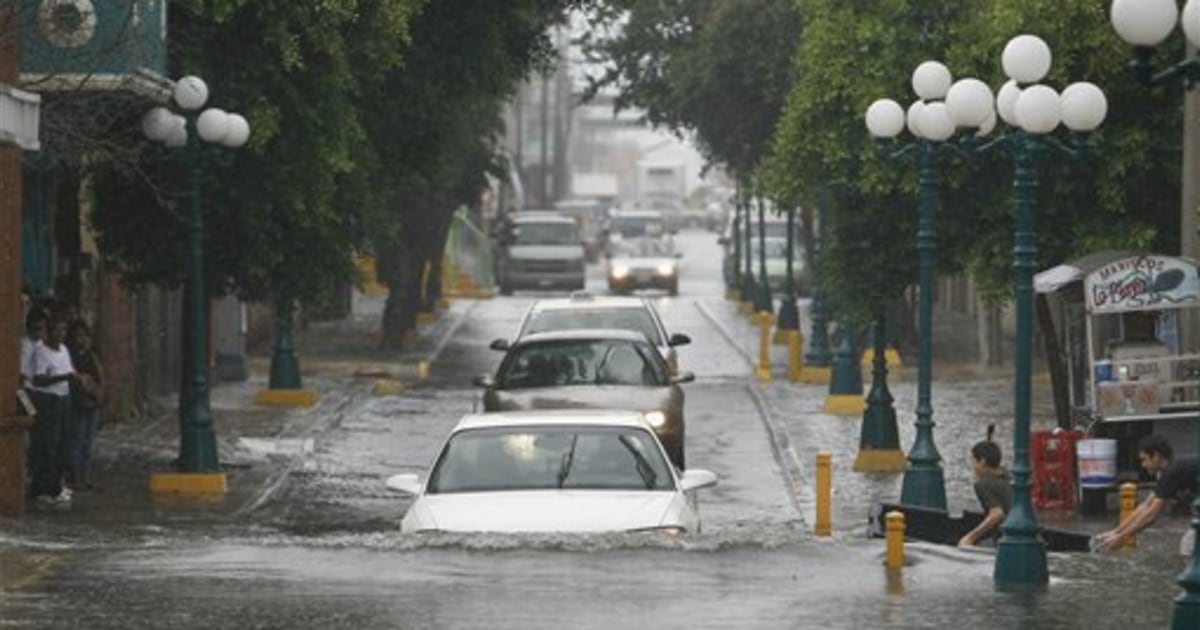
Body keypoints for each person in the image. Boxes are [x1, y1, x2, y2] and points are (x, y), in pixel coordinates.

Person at [1096, 434, 1197, 554]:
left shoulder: (1173, 471)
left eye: (1144, 459)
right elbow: (1146, 506)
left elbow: (1151, 516)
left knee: (1189, 546)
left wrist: (1121, 538)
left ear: (1156, 456)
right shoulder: (1170, 472)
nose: (1143, 465)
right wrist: (1116, 532)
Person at [28, 315, 79, 505]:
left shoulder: (64, 350)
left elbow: (70, 372)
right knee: (46, 445)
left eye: (63, 330)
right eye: (56, 330)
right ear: (48, 332)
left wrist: (78, 379)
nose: (61, 335)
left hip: (63, 399)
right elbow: (38, 379)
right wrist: (63, 378)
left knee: (62, 444)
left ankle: (57, 484)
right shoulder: (41, 351)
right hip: (47, 400)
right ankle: (42, 487)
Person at [65, 320, 105, 491]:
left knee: (87, 442)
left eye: (85, 335)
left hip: (92, 403)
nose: (82, 339)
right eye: (78, 336)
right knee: (77, 440)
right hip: (77, 402)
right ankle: (75, 476)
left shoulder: (92, 355)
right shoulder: (70, 356)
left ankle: (85, 475)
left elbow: (101, 377)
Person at [958, 426, 1013, 547]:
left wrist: (969, 538)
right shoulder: (1008, 475)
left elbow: (997, 514)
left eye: (973, 461)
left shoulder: (983, 485)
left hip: (1005, 539)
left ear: (982, 461)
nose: (973, 466)